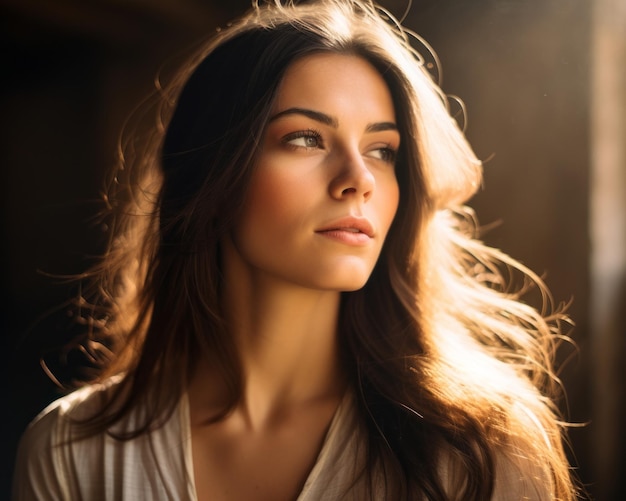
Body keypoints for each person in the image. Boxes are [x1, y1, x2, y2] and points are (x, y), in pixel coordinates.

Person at [12, 0, 580, 499]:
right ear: (211, 173)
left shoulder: (480, 450)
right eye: (305, 138)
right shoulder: (72, 451)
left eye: (382, 150)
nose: (359, 179)